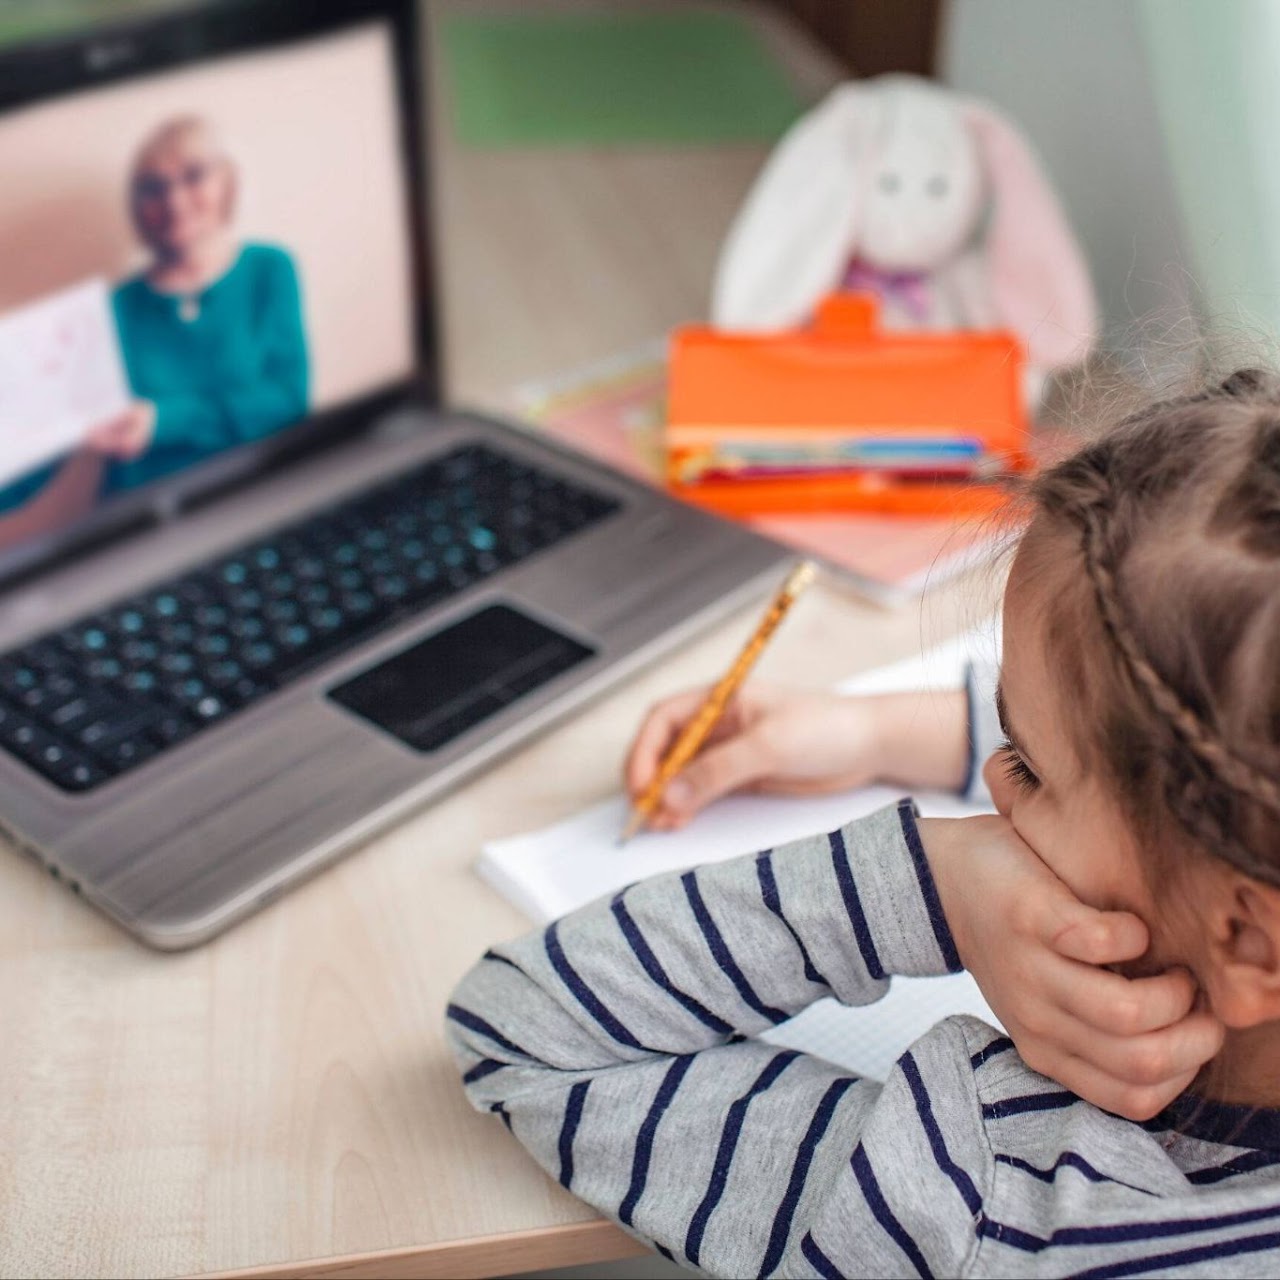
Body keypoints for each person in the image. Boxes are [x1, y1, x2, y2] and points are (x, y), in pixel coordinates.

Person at [447, 370, 1280, 1276]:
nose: (999, 781)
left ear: (1250, 941)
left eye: (1027, 765)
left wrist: (929, 886)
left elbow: (527, 1030)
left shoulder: (986, 1199)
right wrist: (877, 730)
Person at [0, 115, 308, 550]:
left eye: (193, 176)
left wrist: (163, 421)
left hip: (258, 505)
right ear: (137, 205)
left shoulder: (269, 269)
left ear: (226, 183)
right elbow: (39, 454)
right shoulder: (111, 310)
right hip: (141, 530)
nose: (175, 201)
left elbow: (287, 401)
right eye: (153, 187)